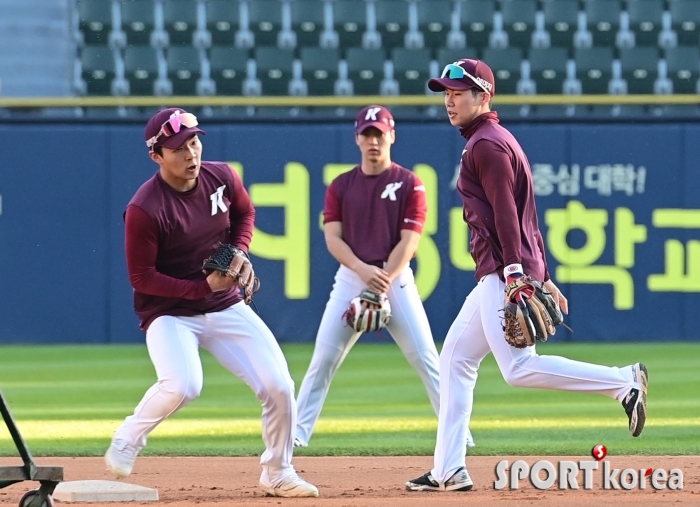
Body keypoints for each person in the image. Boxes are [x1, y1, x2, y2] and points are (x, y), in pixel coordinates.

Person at [405, 60, 648, 492]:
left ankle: (623, 381)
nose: (449, 99)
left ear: (484, 96)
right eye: (446, 92)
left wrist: (518, 275)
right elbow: (526, 218)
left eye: (458, 92)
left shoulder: (487, 145)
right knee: (456, 360)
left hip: (502, 272)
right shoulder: (494, 140)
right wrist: (544, 274)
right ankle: (448, 470)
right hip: (502, 272)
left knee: (518, 368)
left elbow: (506, 215)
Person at [104, 108, 318, 498]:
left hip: (224, 304)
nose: (191, 154)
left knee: (280, 386)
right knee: (184, 385)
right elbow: (142, 278)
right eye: (178, 148)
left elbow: (245, 213)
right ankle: (130, 435)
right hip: (168, 312)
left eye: (194, 142)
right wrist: (202, 289)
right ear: (156, 155)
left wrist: (238, 250)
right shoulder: (145, 209)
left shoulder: (221, 176)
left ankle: (278, 471)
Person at [294, 105, 475, 448]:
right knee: (323, 360)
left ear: (392, 136)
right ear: (357, 139)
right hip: (351, 277)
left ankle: (460, 437)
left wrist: (383, 280)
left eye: (379, 133)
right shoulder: (342, 185)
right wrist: (363, 271)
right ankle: (295, 437)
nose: (373, 141)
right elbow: (333, 237)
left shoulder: (409, 183)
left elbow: (410, 242)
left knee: (427, 360)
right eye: (367, 134)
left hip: (397, 280)